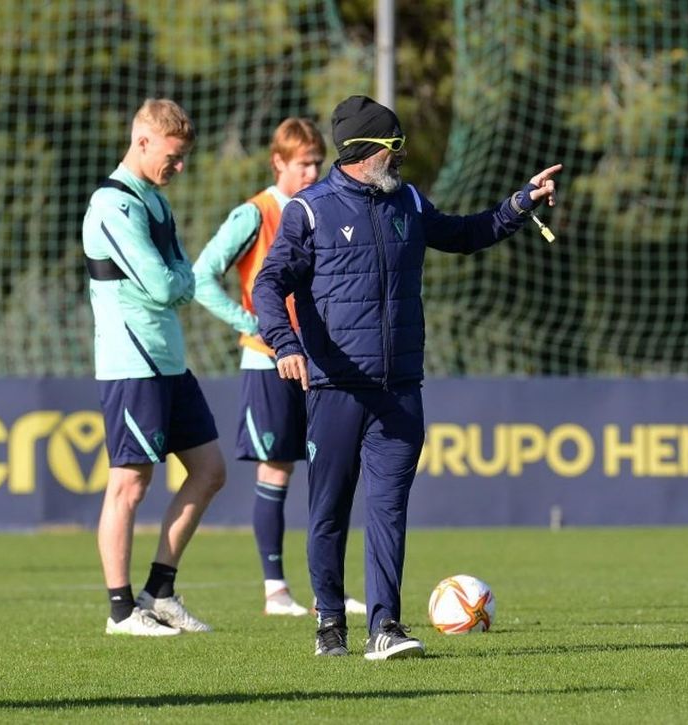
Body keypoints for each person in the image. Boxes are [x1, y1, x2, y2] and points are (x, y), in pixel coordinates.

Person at [253, 95, 561, 659]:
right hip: (335, 390)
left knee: (389, 513)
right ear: (364, 151)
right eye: (393, 148)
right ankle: (329, 626)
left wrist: (520, 204)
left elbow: (468, 233)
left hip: (400, 392)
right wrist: (284, 344)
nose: (400, 158)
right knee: (328, 514)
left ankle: (385, 627)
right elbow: (268, 285)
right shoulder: (309, 210)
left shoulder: (410, 202)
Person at [192, 118, 367, 618]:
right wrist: (252, 323)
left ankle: (327, 591)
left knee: (329, 470)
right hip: (269, 362)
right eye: (303, 163)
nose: (313, 171)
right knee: (277, 468)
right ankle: (275, 590)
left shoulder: (325, 208)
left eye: (317, 161)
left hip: (323, 359)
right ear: (279, 164)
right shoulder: (255, 214)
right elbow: (202, 276)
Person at [82, 98, 227, 636]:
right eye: (174, 155)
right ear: (142, 141)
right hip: (131, 362)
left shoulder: (157, 202)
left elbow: (182, 276)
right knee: (129, 484)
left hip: (169, 360)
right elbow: (167, 284)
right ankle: (121, 612)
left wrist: (178, 282)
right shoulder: (111, 204)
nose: (180, 166)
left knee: (210, 471)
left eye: (184, 156)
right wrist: (178, 282)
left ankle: (159, 591)